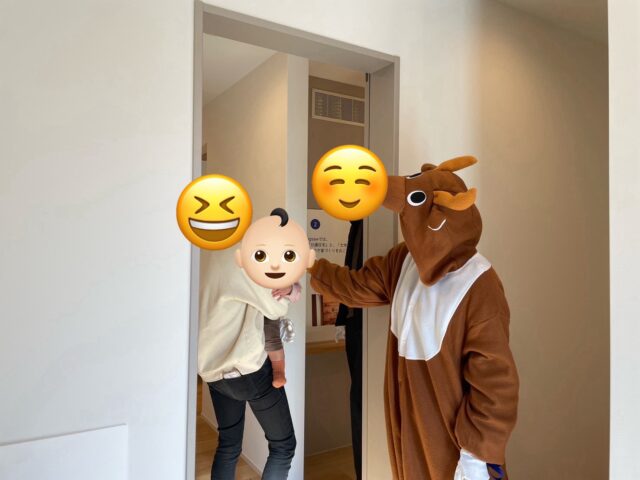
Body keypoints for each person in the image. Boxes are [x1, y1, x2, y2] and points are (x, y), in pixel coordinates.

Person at [308, 157, 519, 480]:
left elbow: (495, 381)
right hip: (407, 419)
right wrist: (310, 265)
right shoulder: (404, 260)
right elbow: (357, 286)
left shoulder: (479, 284)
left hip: (454, 436)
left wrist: (477, 453)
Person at [199, 247, 297, 480]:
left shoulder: (201, 250)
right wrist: (291, 287)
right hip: (247, 369)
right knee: (283, 446)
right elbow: (276, 305)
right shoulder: (242, 254)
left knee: (228, 445)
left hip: (211, 368)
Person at [235, 208, 315, 389]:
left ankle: (279, 371)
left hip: (271, 311)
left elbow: (296, 293)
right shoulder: (251, 258)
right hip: (250, 307)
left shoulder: (288, 269)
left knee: (272, 338)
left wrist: (289, 289)